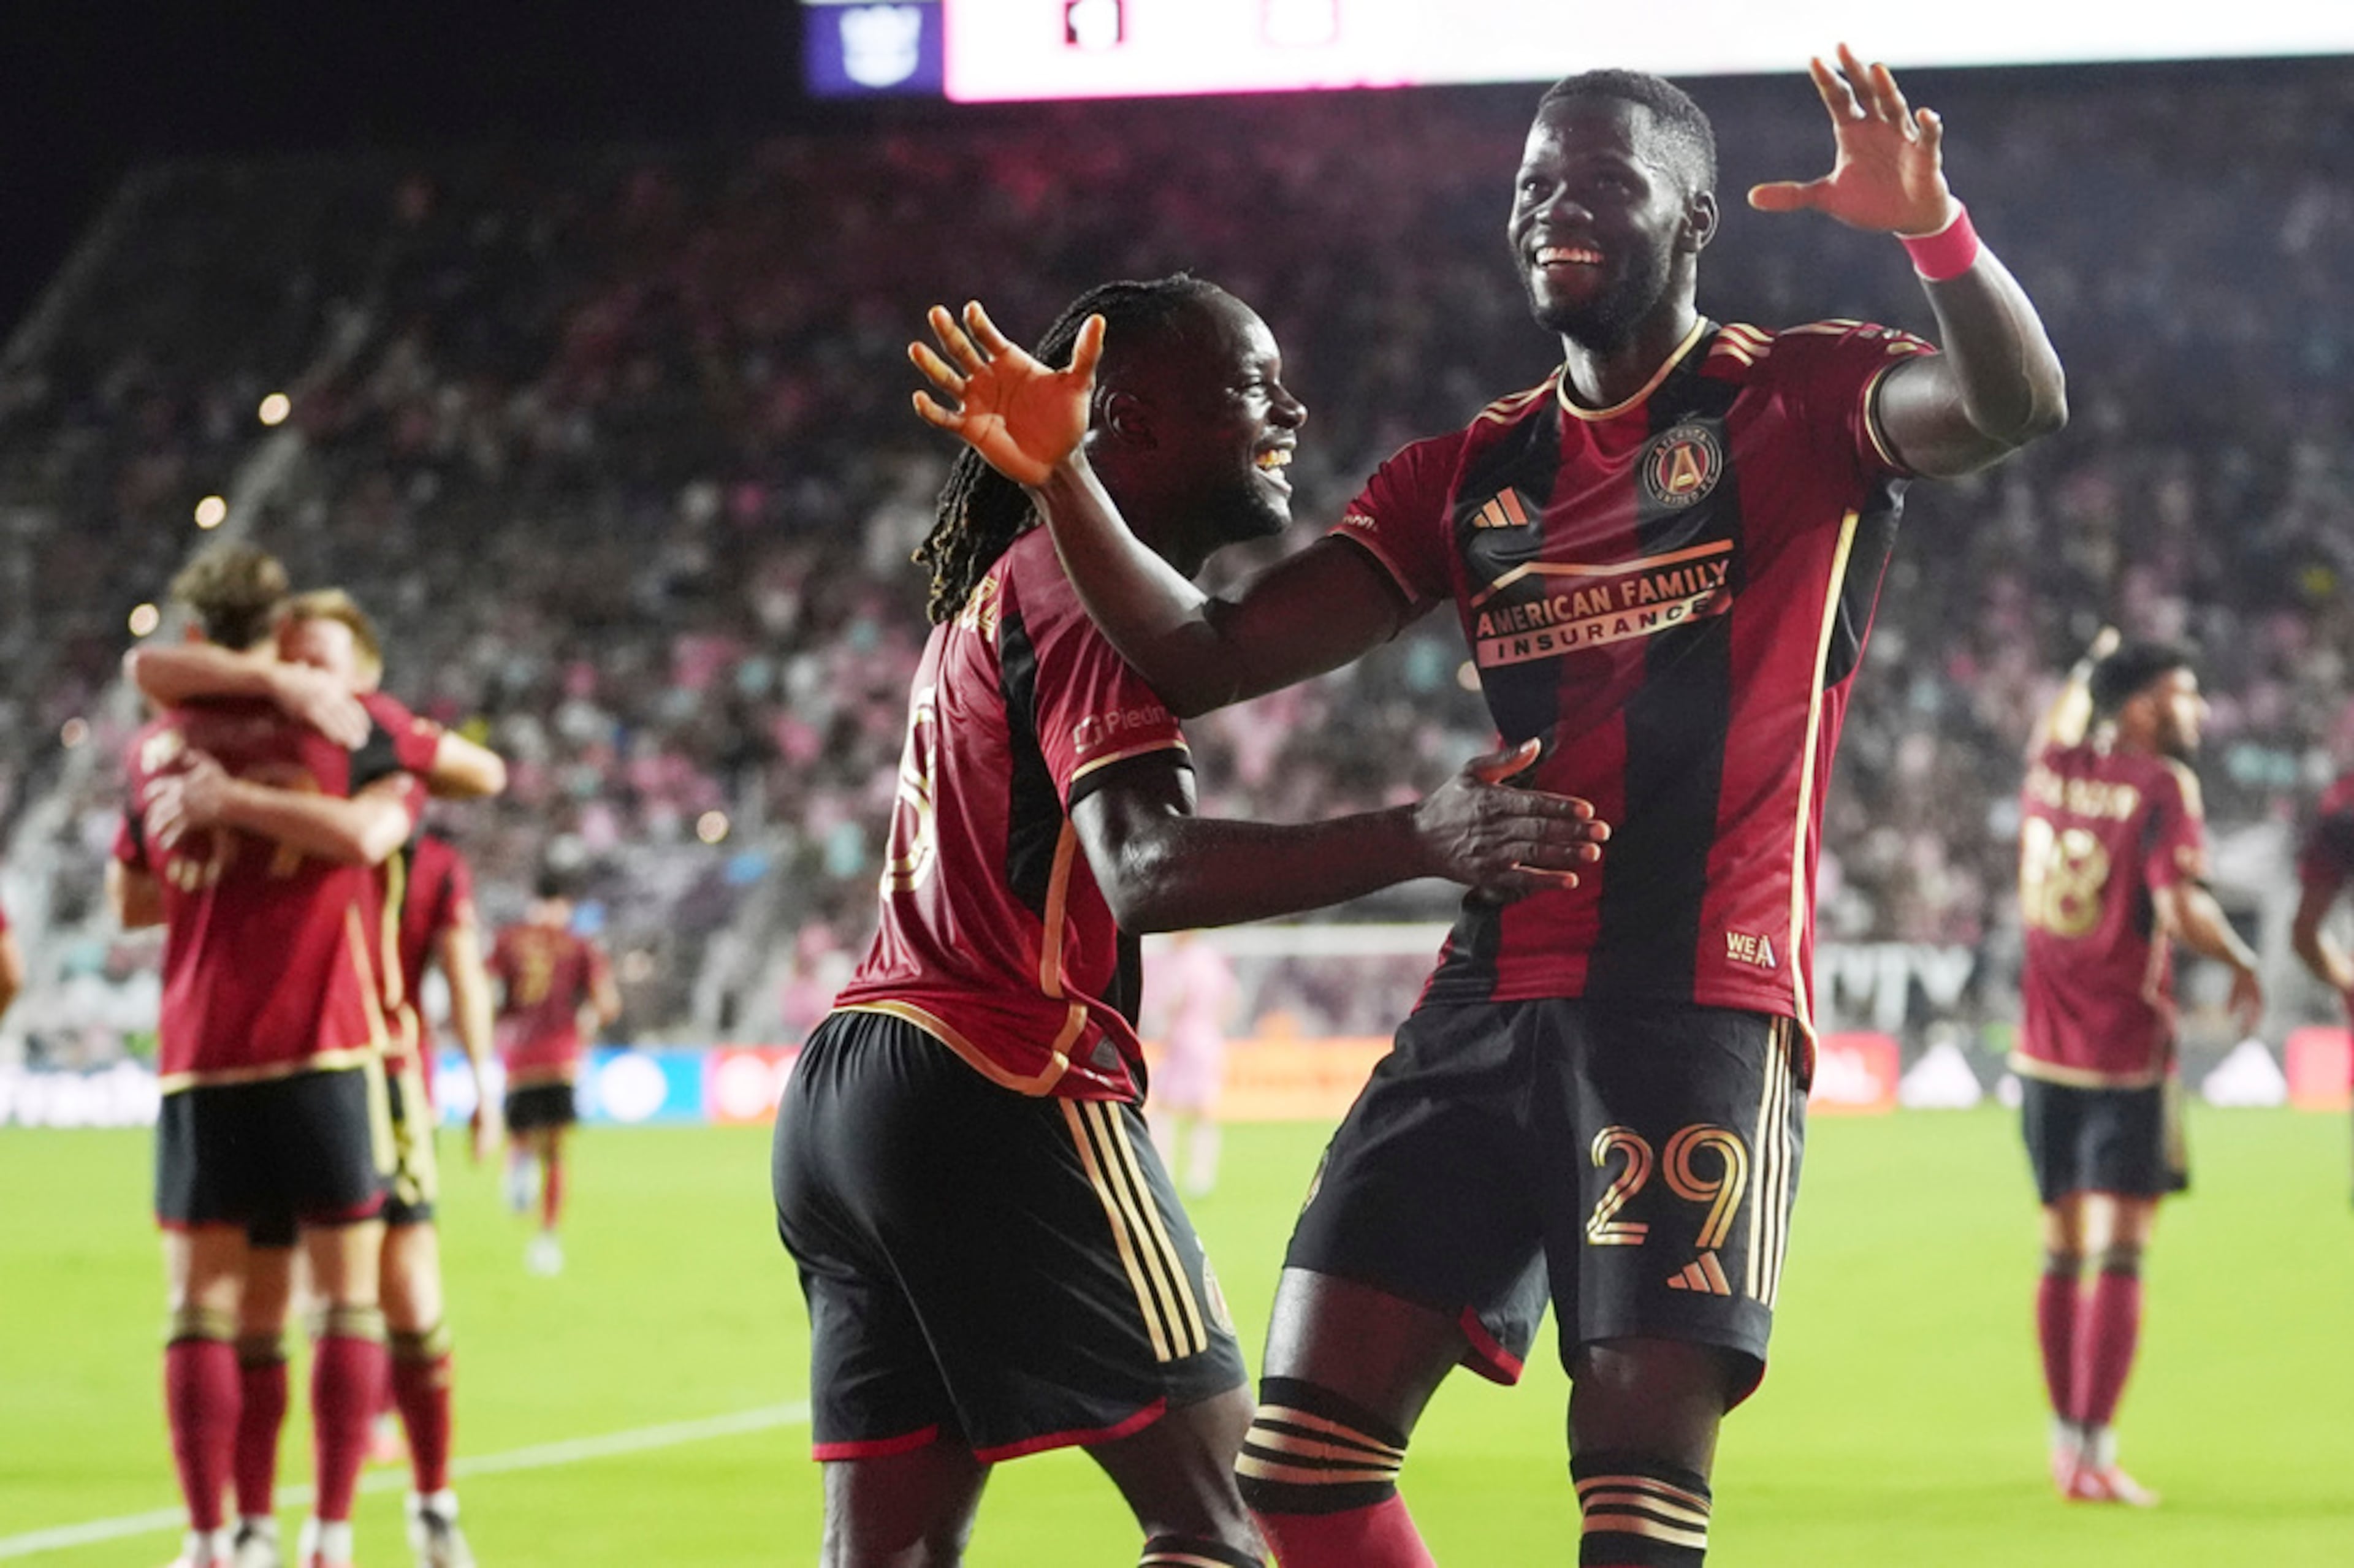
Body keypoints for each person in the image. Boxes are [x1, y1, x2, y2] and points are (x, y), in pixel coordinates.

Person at [912, 47, 2066, 1566]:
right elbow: (1205, 653)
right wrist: (1064, 477)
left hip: (1688, 1001)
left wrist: (1936, 236)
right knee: (1299, 1460)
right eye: (1532, 184)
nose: (1554, 210)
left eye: (1601, 181)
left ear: (1692, 215)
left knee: (1633, 1488)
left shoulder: (1790, 396)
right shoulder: (1465, 474)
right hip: (1483, 1004)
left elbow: (2009, 404)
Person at [787, 274, 1605, 1568]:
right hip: (1009, 1073)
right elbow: (1146, 869)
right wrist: (1418, 836)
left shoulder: (1004, 581)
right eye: (1249, 385)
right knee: (1232, 1520)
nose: (1290, 406)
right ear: (1129, 418)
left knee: (886, 1555)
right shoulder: (1089, 592)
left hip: (854, 1093)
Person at [130, 587, 502, 1568]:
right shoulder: (266, 738)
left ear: (367, 675)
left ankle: (427, 1504)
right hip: (288, 1057)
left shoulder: (385, 771)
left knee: (404, 1296)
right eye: (289, 654)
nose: (302, 672)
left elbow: (460, 784)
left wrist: (485, 1079)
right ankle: (251, 1529)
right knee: (260, 1306)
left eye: (320, 657)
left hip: (376, 1070)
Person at [2013, 636, 2260, 1504]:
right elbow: (2181, 902)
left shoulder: (2050, 765)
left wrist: (2087, 668)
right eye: (2186, 694)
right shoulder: (2164, 786)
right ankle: (2096, 1450)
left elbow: (2063, 715)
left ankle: (2062, 1446)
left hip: (2041, 1050)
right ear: (2149, 706)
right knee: (2121, 1248)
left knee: (2059, 1247)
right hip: (2124, 1050)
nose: (2199, 711)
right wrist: (2241, 958)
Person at [489, 875, 620, 1276]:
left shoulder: (509, 940)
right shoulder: (579, 946)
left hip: (519, 1057)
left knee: (524, 1135)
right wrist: (587, 1024)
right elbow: (607, 1004)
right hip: (561, 1057)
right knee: (557, 1151)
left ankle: (517, 1165)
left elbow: (489, 993)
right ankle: (546, 1239)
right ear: (566, 903)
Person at [1146, 931, 1240, 1198]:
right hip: (1208, 1038)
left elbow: (1174, 1000)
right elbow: (1230, 999)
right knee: (1202, 1111)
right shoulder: (1209, 958)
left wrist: (1166, 1028)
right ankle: (1200, 1175)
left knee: (1165, 1107)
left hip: (1183, 1039)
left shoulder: (1179, 961)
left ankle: (1165, 1170)